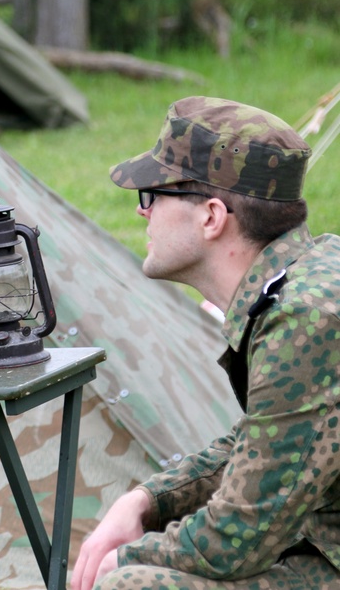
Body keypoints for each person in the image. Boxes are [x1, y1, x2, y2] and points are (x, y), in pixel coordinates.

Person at [71, 96, 340, 590]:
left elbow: (237, 538)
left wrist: (125, 559)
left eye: (153, 194)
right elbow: (264, 442)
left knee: (128, 585)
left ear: (212, 218)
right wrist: (149, 500)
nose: (140, 210)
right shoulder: (310, 276)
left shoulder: (304, 318)